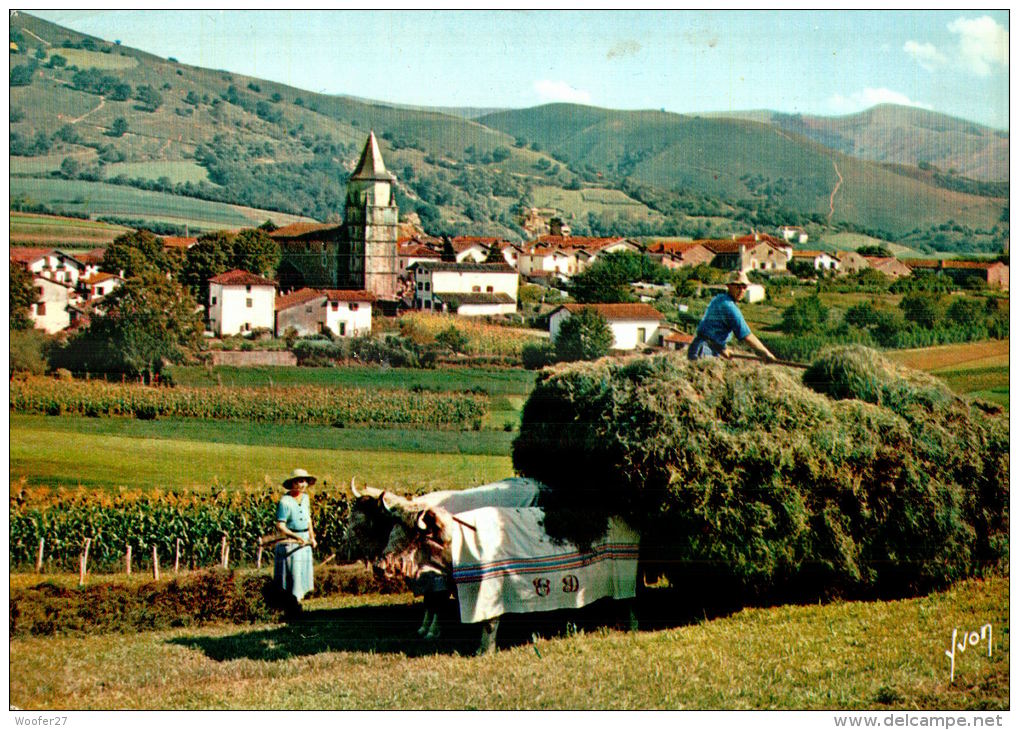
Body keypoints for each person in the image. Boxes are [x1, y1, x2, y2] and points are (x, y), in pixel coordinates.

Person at [688, 270, 777, 362]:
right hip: (704, 350)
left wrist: (722, 349)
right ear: (729, 286)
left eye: (744, 287)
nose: (741, 290)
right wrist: (766, 353)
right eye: (738, 286)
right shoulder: (729, 306)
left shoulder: (719, 298)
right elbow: (746, 335)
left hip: (703, 346)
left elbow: (712, 330)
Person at [273, 468, 318, 617]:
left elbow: (308, 519)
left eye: (305, 481)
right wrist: (294, 537)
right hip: (291, 543)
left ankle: (298, 605)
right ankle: (291, 608)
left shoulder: (305, 499)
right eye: (300, 481)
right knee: (293, 576)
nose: (303, 484)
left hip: (304, 542)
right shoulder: (285, 502)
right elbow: (280, 525)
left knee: (302, 574)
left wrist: (312, 537)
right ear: (292, 483)